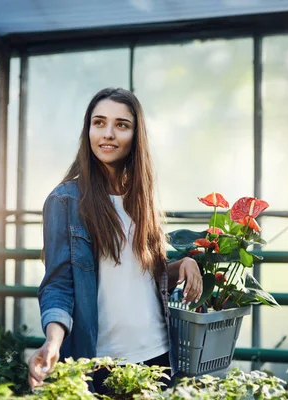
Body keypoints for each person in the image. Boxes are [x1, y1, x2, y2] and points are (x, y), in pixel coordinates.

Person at [27, 88, 202, 394]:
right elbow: (58, 284)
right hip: (100, 362)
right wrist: (53, 341)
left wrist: (182, 265)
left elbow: (141, 277)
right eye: (99, 123)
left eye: (121, 125)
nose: (108, 134)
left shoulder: (142, 199)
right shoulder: (65, 200)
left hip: (158, 355)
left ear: (136, 135)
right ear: (88, 130)